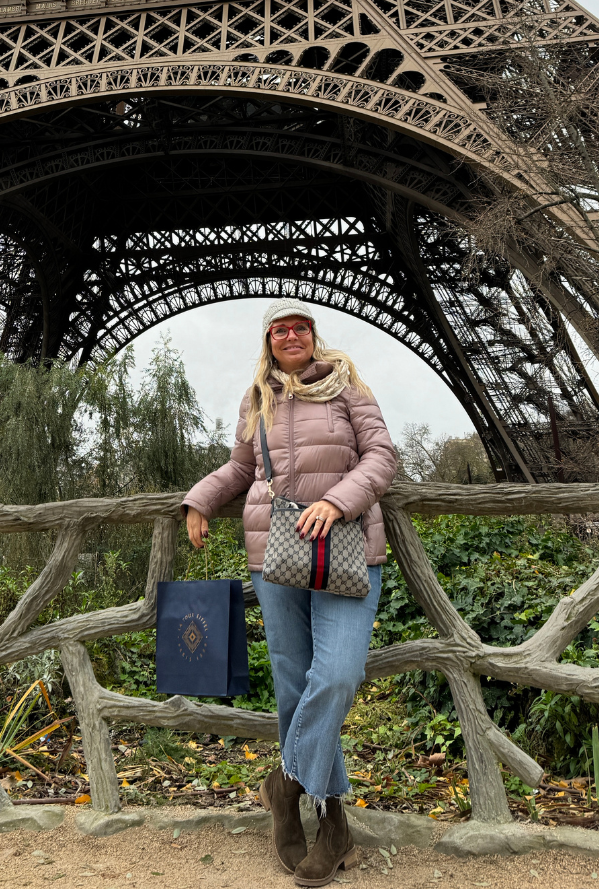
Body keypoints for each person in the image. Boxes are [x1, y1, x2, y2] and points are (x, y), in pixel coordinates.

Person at [182, 299, 398, 887]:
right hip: (274, 552)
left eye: (300, 327)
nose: (291, 335)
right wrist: (200, 498)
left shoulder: (348, 386)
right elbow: (240, 469)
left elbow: (383, 457)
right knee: (294, 682)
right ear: (269, 341)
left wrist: (338, 500)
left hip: (348, 545)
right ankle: (332, 820)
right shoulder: (258, 398)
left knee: (337, 675)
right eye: (280, 330)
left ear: (314, 334)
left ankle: (285, 784)